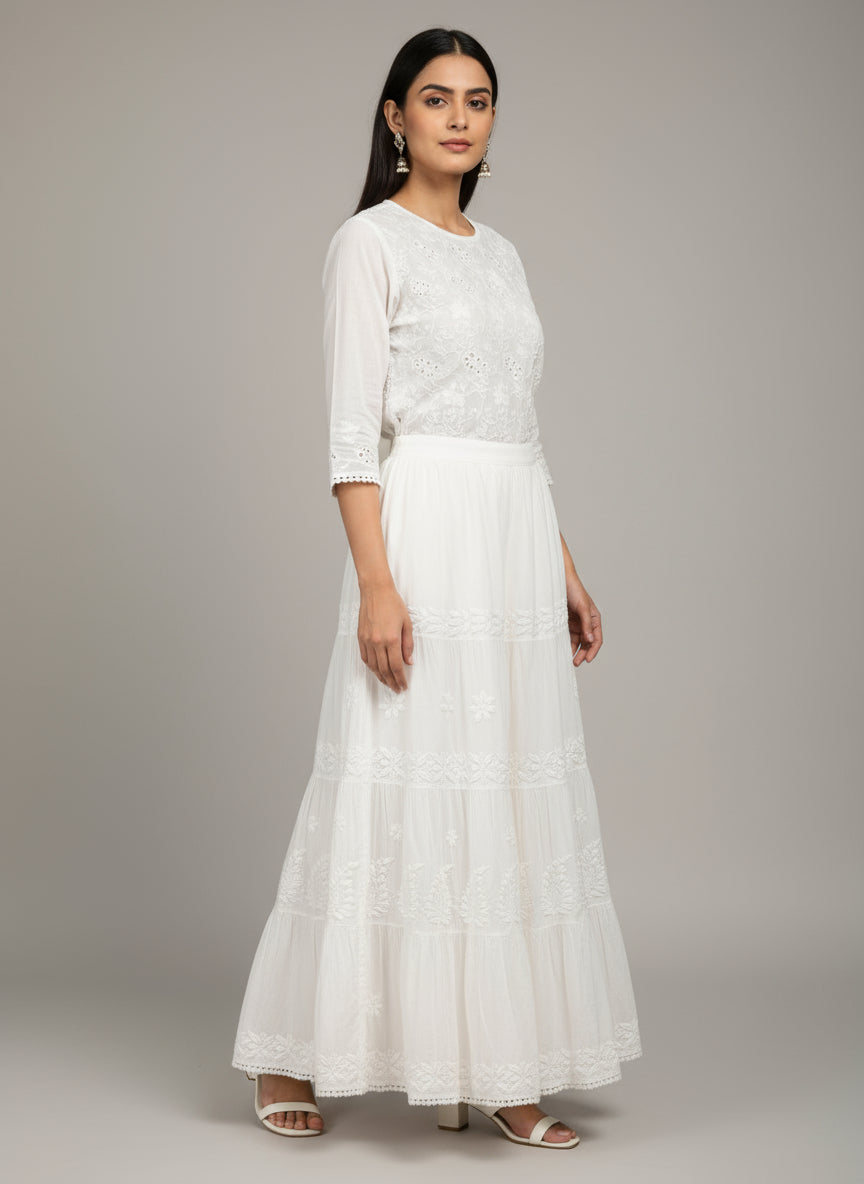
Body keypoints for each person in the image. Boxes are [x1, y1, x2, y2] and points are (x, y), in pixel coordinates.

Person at [231, 27, 642, 1148]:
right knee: (388, 777)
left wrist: (564, 565)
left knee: (503, 786)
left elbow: (521, 424)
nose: (459, 116)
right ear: (394, 117)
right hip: (424, 535)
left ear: (492, 122)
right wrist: (376, 582)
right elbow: (353, 433)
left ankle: (495, 1061)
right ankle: (286, 1045)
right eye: (435, 97)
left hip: (512, 538)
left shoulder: (500, 255)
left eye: (478, 100)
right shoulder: (367, 244)